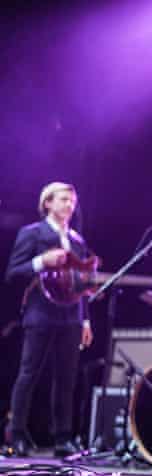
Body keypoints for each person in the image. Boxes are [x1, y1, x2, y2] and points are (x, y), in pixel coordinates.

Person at [4, 182, 93, 457]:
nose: (69, 204)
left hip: (71, 316)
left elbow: (82, 284)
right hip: (40, 312)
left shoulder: (78, 241)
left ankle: (62, 437)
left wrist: (86, 320)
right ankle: (16, 434)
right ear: (48, 203)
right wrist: (42, 261)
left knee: (66, 377)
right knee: (29, 373)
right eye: (63, 199)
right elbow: (13, 272)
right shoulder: (32, 234)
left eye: (72, 200)